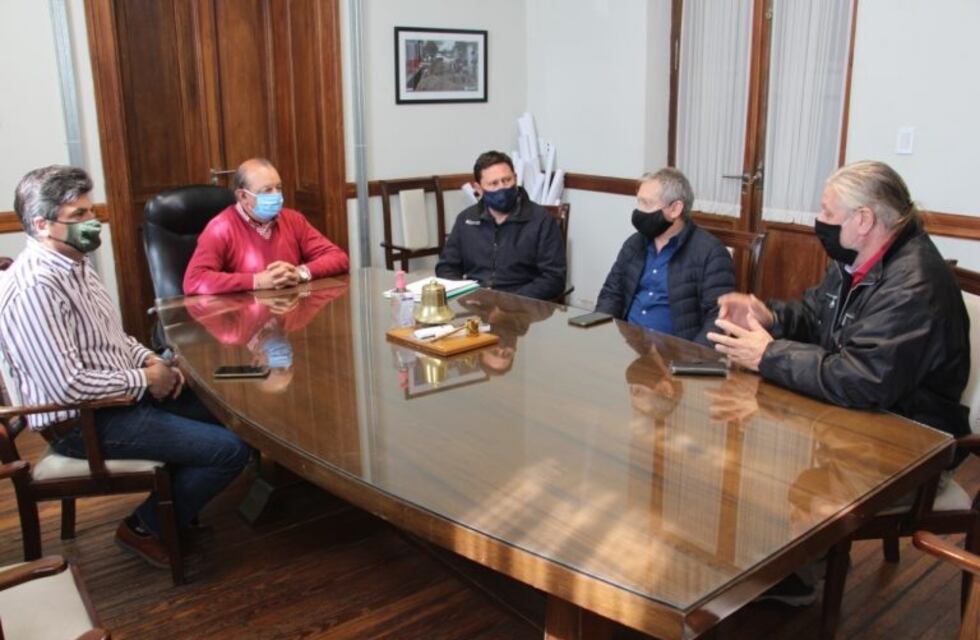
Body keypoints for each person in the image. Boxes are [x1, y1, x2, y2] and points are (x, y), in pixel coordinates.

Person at [0, 165, 251, 569]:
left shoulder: (76, 264)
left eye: (89, 210)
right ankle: (145, 526)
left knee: (234, 414)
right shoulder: (35, 288)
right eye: (78, 215)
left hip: (119, 398)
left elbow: (113, 340)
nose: (92, 222)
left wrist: (151, 360)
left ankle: (175, 509)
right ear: (42, 224)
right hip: (84, 423)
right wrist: (146, 380)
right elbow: (68, 387)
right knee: (231, 451)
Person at [707, 160, 970, 439]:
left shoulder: (915, 285)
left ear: (863, 220)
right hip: (850, 416)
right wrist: (770, 317)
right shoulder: (852, 259)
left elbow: (862, 378)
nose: (819, 220)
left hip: (907, 435)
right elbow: (816, 316)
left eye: (827, 211)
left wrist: (767, 355)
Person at [595, 167, 735, 346]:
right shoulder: (634, 244)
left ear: (675, 209)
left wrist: (692, 359)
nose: (639, 211)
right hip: (628, 347)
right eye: (638, 202)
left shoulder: (711, 253)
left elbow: (718, 317)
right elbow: (612, 293)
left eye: (647, 203)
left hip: (677, 355)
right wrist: (600, 335)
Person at [183, 157, 349, 295]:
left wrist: (300, 273)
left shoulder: (292, 219)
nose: (276, 195)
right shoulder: (221, 228)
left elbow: (338, 258)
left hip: (289, 315)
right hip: (245, 321)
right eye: (267, 190)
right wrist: (258, 281)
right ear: (243, 196)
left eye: (278, 188)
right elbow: (194, 280)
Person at [435, 150, 566, 301]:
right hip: (476, 305)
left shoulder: (541, 220)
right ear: (479, 188)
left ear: (516, 179)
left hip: (523, 308)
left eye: (507, 180)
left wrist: (511, 301)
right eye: (493, 183)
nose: (502, 188)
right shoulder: (466, 219)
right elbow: (446, 267)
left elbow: (554, 277)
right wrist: (467, 293)